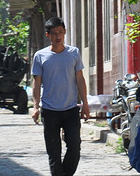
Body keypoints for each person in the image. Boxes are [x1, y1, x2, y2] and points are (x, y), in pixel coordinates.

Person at [31, 17, 91, 176]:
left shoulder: (74, 53)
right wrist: (35, 107)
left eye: (61, 32)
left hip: (71, 109)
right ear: (48, 35)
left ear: (64, 33)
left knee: (74, 147)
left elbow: (80, 78)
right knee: (54, 152)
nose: (58, 36)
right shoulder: (40, 56)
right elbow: (36, 83)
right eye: (54, 33)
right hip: (50, 111)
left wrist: (85, 104)